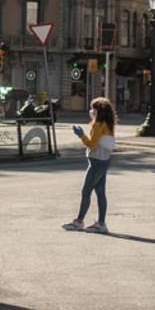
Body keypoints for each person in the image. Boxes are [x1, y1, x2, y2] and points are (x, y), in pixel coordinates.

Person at [62, 97, 117, 234]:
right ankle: (101, 223)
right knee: (100, 193)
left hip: (96, 161)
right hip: (104, 161)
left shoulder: (98, 124)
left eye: (93, 108)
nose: (91, 111)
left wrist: (81, 135)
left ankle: (79, 222)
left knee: (86, 191)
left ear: (99, 111)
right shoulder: (108, 124)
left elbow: (92, 145)